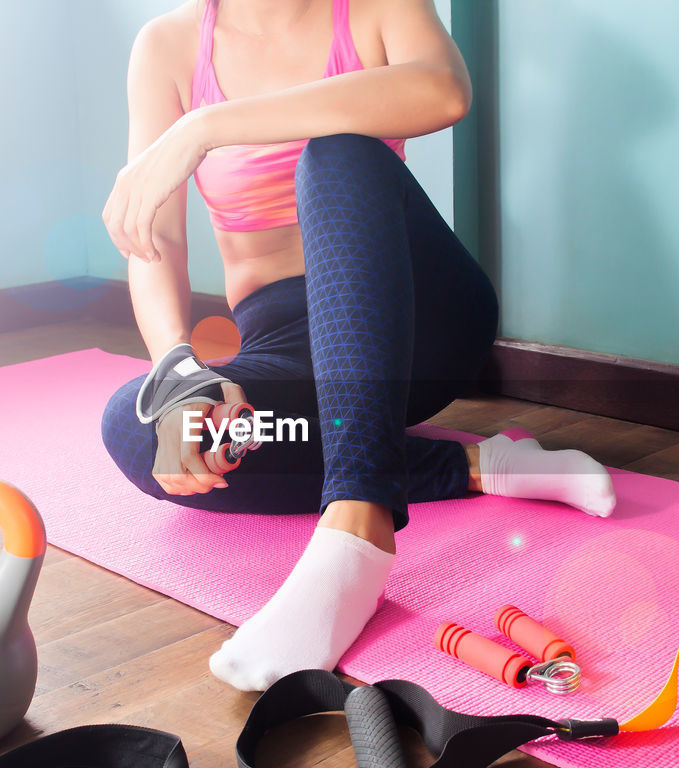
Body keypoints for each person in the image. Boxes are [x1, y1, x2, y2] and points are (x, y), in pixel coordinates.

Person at [100, 0, 616, 692]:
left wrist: (206, 126)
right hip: (289, 345)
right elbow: (150, 237)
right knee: (138, 426)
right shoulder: (167, 46)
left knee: (338, 150)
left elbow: (443, 89)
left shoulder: (377, 5)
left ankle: (358, 528)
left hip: (421, 322)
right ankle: (466, 466)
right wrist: (176, 369)